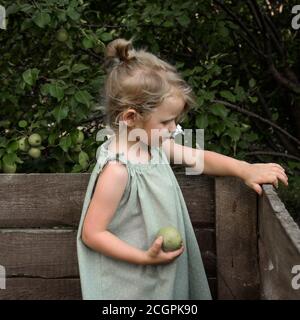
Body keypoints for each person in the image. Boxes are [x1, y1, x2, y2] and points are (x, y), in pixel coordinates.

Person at [76, 38, 289, 300]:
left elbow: (199, 158)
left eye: (175, 120)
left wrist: (245, 169)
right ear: (130, 118)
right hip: (132, 285)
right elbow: (92, 233)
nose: (174, 129)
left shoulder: (152, 146)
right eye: (166, 121)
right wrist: (143, 257)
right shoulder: (117, 170)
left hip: (159, 275)